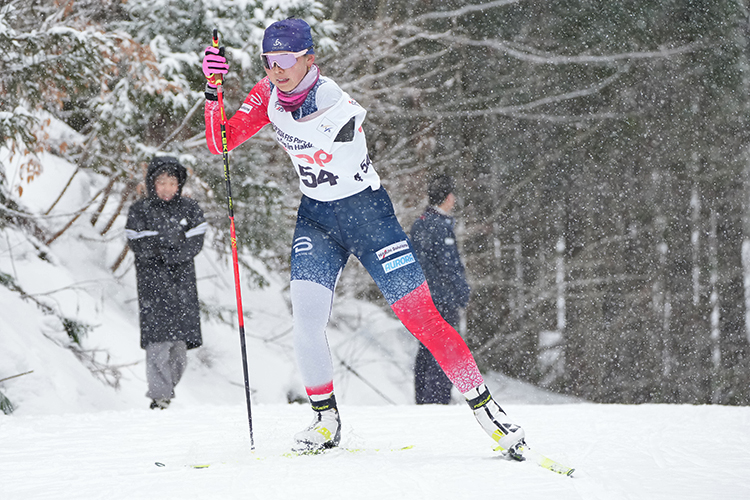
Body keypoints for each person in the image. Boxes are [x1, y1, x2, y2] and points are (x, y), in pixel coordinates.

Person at [201, 18, 526, 456]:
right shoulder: (267, 94)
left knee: (422, 317)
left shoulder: (331, 98)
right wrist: (212, 91)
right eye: (268, 60)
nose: (275, 70)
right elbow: (221, 142)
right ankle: (324, 420)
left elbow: (343, 122)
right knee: (306, 319)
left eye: (284, 60)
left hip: (368, 217)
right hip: (317, 218)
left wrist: (303, 123)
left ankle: (489, 412)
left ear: (309, 59)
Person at [125, 156, 207, 410]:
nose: (167, 188)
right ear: (152, 183)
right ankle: (160, 397)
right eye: (161, 182)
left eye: (172, 182)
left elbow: (195, 241)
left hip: (183, 285)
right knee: (158, 343)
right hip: (152, 285)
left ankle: (167, 389)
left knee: (179, 348)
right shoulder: (140, 210)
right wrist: (171, 245)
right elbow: (138, 241)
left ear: (179, 184)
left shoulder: (190, 209)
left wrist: (167, 248)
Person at [410, 175, 471, 405]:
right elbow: (449, 265)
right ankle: (437, 398)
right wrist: (462, 292)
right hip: (441, 298)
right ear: (447, 198)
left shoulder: (420, 223)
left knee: (426, 347)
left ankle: (423, 397)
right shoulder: (440, 227)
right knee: (444, 346)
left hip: (422, 297)